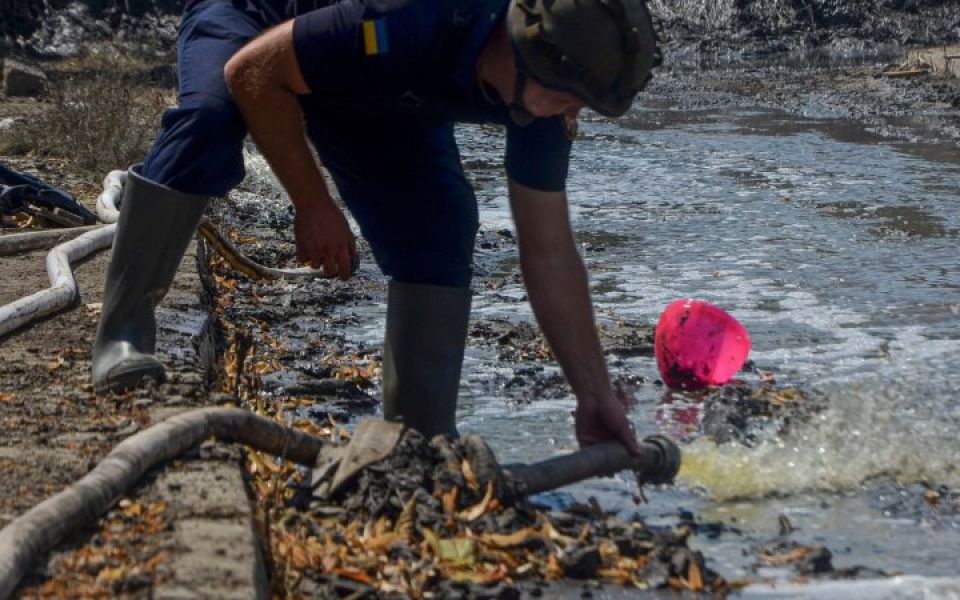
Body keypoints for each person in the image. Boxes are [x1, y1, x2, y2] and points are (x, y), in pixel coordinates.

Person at [91, 0, 660, 454]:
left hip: (374, 85)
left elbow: (550, 250)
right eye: (571, 100)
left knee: (438, 226)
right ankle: (123, 333)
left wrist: (594, 392)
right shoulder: (410, 16)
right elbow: (253, 71)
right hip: (259, 21)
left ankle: (417, 438)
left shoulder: (545, 97)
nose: (571, 114)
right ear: (526, 53)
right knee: (209, 121)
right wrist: (313, 205)